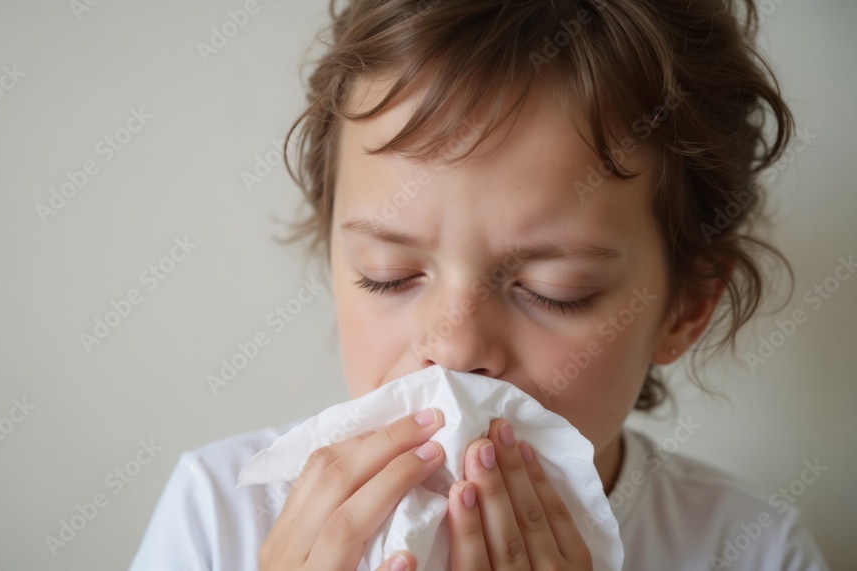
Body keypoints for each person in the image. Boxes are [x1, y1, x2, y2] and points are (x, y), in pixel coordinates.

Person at [130, 0, 829, 569]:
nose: (455, 347)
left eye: (554, 289)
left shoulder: (755, 549)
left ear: (687, 306)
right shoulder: (223, 513)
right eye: (389, 275)